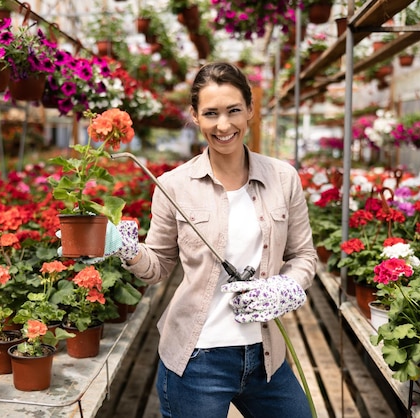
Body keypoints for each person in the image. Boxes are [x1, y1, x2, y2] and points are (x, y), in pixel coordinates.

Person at [115, 61, 317, 418]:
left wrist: (285, 287)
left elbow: (303, 255)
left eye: (233, 111)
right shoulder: (173, 185)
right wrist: (128, 251)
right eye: (211, 113)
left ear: (250, 111)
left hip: (266, 356)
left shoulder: (283, 178)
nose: (223, 126)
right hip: (198, 359)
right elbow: (159, 266)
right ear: (195, 116)